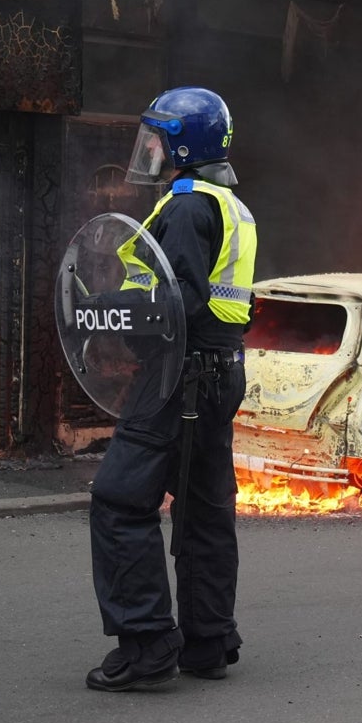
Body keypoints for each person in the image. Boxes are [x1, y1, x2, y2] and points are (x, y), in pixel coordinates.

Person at [84, 86, 258, 691]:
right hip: (218, 373)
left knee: (119, 501)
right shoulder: (228, 203)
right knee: (206, 510)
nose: (149, 147)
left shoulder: (185, 205)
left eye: (157, 136)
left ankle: (147, 645)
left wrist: (109, 307)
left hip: (175, 377)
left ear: (183, 143)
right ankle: (209, 641)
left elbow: (180, 300)